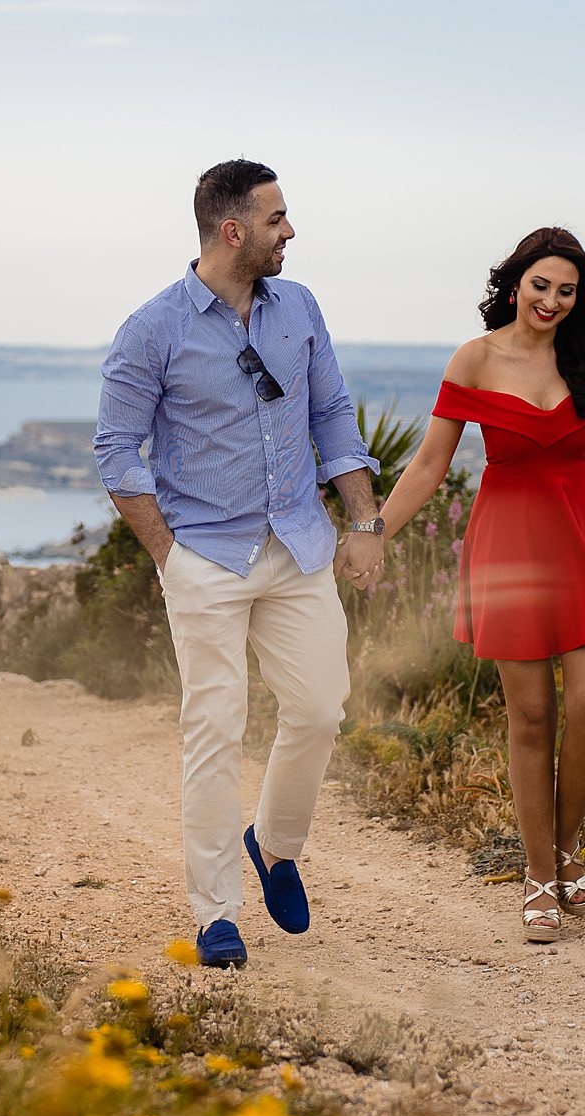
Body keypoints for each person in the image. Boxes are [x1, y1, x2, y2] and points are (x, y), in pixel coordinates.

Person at [94, 160, 386, 969]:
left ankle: (275, 843)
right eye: (277, 218)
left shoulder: (300, 308)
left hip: (298, 545)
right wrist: (168, 556)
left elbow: (331, 412)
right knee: (215, 728)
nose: (289, 231)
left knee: (321, 706)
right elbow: (116, 452)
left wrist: (365, 518)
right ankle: (216, 912)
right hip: (206, 559)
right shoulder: (152, 329)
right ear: (233, 231)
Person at [378, 227, 585, 942]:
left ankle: (566, 846)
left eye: (567, 290)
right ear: (515, 284)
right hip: (506, 544)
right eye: (542, 285)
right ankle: (541, 873)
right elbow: (427, 465)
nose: (552, 300)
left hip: (579, 539)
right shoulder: (474, 359)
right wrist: (374, 530)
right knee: (531, 715)